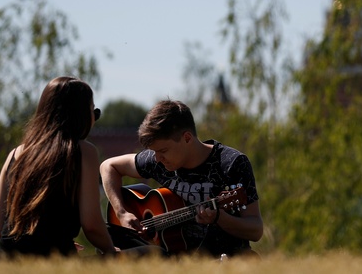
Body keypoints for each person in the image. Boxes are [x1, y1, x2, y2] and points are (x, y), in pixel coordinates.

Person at [100, 100, 263, 258]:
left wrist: (220, 218)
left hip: (222, 258)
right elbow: (108, 166)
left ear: (187, 138)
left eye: (163, 150)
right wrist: (122, 213)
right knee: (106, 233)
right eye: (154, 151)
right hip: (172, 257)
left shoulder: (231, 163)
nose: (156, 158)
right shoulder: (158, 160)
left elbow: (255, 230)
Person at [0, 76, 118, 258]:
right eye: (94, 112)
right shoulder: (84, 151)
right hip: (56, 259)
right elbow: (92, 225)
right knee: (154, 252)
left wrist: (49, 237)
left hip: (6, 260)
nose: (94, 119)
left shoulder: (14, 155)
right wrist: (111, 250)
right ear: (80, 115)